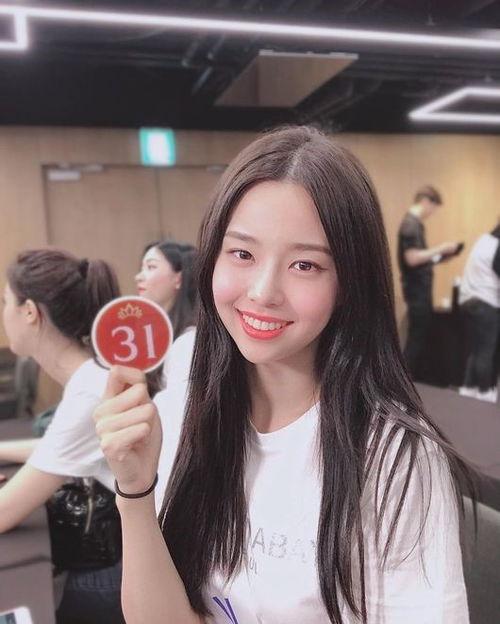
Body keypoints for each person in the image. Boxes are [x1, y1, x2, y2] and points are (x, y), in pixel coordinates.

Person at [95, 127, 474, 624]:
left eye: (305, 265)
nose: (263, 291)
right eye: (242, 254)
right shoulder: (181, 413)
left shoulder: (393, 457)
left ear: (349, 283)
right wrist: (135, 491)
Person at [0, 249, 125, 624]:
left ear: (30, 312)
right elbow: (56, 448)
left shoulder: (89, 393)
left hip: (131, 574)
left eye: (5, 302)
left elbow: (4, 513)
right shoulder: (92, 376)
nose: (3, 313)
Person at [397, 185, 461, 378]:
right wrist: (441, 248)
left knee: (419, 336)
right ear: (425, 201)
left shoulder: (415, 224)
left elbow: (419, 259)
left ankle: (408, 378)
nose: (432, 213)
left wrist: (440, 257)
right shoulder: (411, 225)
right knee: (417, 337)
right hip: (417, 292)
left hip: (419, 290)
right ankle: (405, 379)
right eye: (433, 208)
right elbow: (412, 259)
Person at [136, 241, 198, 394]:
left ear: (178, 279)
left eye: (151, 267)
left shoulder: (188, 343)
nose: (138, 277)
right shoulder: (154, 337)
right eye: (141, 268)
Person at [459, 224, 500, 402]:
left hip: (468, 300)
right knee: (485, 353)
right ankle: (485, 394)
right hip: (486, 303)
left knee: (476, 351)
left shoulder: (484, 240)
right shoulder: (498, 246)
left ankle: (468, 389)